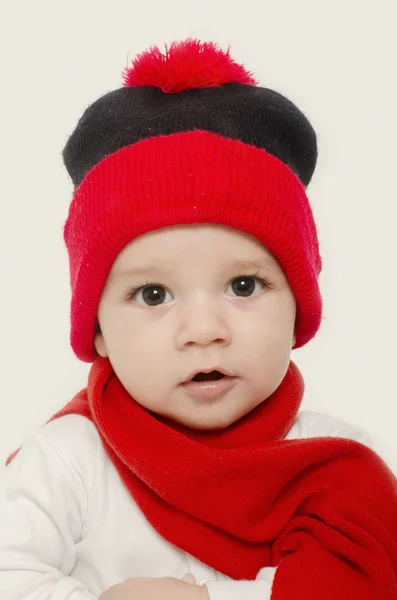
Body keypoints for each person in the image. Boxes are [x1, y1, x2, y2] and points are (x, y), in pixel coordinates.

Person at [1, 38, 397, 600]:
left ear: (299, 309)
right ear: (97, 331)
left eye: (243, 285)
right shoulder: (68, 462)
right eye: (154, 293)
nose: (204, 329)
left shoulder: (334, 461)